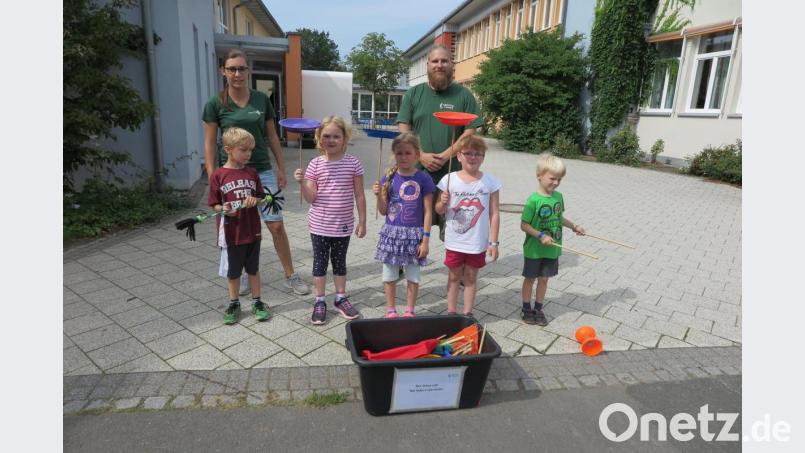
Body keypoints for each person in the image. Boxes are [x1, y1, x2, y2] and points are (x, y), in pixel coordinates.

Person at [203, 48, 310, 297]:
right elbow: (209, 142)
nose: (237, 73)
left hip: (261, 172)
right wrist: (212, 176)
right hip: (229, 176)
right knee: (232, 226)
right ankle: (236, 275)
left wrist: (281, 167)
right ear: (223, 71)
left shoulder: (261, 99)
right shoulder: (216, 102)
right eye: (232, 69)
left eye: (242, 68)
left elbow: (272, 135)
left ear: (248, 71)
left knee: (276, 225)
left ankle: (290, 276)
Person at [397, 44, 484, 242]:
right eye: (435, 61)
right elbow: (404, 128)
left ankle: (455, 269)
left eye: (444, 61)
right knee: (412, 225)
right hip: (417, 173)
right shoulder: (414, 94)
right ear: (427, 65)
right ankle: (408, 264)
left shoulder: (464, 96)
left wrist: (445, 156)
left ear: (452, 65)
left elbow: (470, 133)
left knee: (454, 229)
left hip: (453, 176)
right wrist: (421, 155)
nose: (439, 65)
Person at [294, 116, 367, 325]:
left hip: (343, 225)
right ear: (319, 138)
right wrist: (301, 183)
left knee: (339, 262)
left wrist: (362, 221)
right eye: (326, 136)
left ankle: (340, 297)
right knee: (319, 262)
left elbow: (360, 195)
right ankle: (319, 300)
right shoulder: (315, 164)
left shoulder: (353, 163)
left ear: (345, 139)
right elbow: (311, 197)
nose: (331, 140)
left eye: (336, 136)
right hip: (319, 224)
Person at [208, 128, 269, 325]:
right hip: (232, 233)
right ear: (228, 149)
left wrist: (256, 199)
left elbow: (261, 196)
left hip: (252, 230)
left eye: (251, 150)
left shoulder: (252, 173)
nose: (248, 154)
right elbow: (213, 204)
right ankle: (234, 303)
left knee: (253, 269)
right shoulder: (218, 175)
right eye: (244, 150)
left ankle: (257, 301)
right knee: (233, 271)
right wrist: (223, 209)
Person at [435, 135, 500, 317]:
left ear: (483, 157)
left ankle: (467, 313)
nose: (473, 157)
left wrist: (494, 243)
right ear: (459, 156)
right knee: (454, 276)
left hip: (477, 242)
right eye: (468, 153)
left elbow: (494, 213)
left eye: (478, 154)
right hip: (455, 241)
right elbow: (438, 210)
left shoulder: (491, 182)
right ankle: (451, 311)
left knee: (471, 277)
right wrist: (443, 202)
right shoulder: (448, 180)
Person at [372, 132, 435, 318]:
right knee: (389, 273)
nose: (404, 157)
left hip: (414, 235)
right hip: (392, 234)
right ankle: (391, 309)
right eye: (399, 153)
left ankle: (410, 310)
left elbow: (428, 211)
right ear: (394, 154)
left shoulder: (424, 179)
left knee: (413, 275)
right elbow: (383, 211)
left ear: (417, 154)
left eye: (408, 153)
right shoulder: (388, 178)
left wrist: (426, 240)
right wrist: (378, 195)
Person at [520, 153, 586, 326]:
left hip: (552, 249)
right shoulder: (533, 201)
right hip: (534, 250)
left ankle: (538, 309)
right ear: (539, 176)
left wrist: (574, 226)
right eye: (552, 178)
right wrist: (540, 235)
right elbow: (524, 225)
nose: (556, 183)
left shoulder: (558, 197)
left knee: (544, 279)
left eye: (559, 179)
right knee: (530, 279)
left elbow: (559, 218)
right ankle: (526, 308)